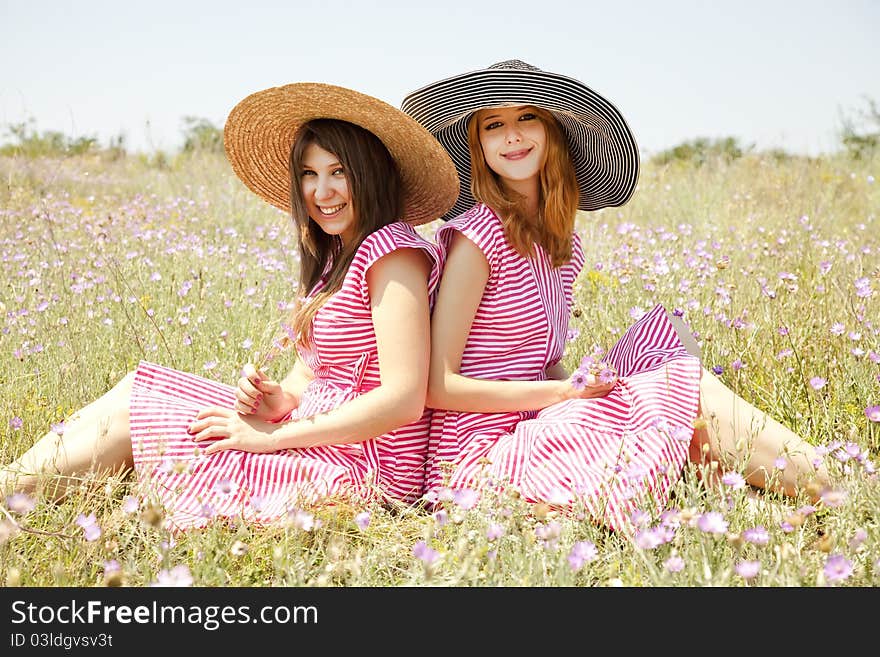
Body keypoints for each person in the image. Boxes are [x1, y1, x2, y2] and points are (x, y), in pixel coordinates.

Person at [0, 82, 459, 531]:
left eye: (339, 172)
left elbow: (403, 400)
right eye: (309, 174)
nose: (322, 192)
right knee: (136, 388)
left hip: (365, 462)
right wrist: (279, 399)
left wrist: (272, 437)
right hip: (319, 431)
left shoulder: (393, 255)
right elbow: (312, 372)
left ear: (371, 174)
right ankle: (9, 493)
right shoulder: (341, 253)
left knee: (130, 423)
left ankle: (10, 498)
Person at [401, 60, 830, 532]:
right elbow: (439, 386)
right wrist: (567, 393)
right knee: (673, 390)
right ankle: (835, 484)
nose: (512, 136)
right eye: (494, 125)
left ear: (552, 134)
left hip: (532, 413)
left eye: (527, 118)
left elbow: (541, 361)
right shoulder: (475, 238)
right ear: (478, 146)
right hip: (479, 449)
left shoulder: (561, 242)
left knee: (667, 345)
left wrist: (577, 388)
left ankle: (773, 498)